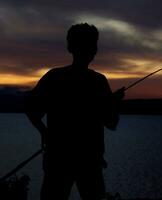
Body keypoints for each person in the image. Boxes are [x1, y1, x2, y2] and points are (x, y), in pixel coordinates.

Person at [26, 23, 125, 200]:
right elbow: (111, 123)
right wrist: (113, 104)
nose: (91, 49)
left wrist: (44, 132)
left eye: (92, 44)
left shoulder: (55, 77)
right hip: (87, 162)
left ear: (69, 47)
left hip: (62, 160)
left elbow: (31, 110)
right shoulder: (98, 82)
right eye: (89, 44)